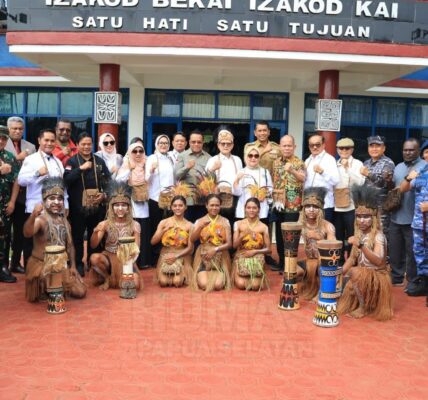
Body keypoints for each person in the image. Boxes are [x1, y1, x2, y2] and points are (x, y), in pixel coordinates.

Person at [22, 177, 86, 302]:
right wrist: (33, 215)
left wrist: (73, 266)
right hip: (41, 265)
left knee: (80, 292)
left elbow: (70, 246)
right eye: (52, 198)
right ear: (44, 200)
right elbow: (27, 233)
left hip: (60, 266)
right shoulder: (40, 220)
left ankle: (54, 287)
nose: (56, 202)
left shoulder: (65, 222)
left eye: (60, 199)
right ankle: (44, 287)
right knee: (54, 287)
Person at [338, 185, 393, 321]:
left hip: (377, 276)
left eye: (366, 216)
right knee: (341, 277)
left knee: (354, 272)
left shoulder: (378, 236)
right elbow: (351, 259)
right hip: (363, 275)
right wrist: (338, 273)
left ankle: (364, 307)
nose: (362, 220)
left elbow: (378, 261)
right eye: (359, 216)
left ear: (373, 218)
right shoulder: (360, 235)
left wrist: (361, 245)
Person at [18, 129, 67, 266]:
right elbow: (21, 180)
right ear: (39, 141)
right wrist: (37, 173)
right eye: (46, 140)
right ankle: (31, 272)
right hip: (36, 208)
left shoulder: (58, 161)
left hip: (55, 208)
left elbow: (62, 186)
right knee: (32, 243)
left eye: (52, 140)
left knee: (52, 241)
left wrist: (66, 204)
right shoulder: (31, 159)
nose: (49, 143)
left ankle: (51, 271)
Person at [64, 132, 110, 276]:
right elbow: (66, 180)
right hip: (77, 207)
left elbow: (109, 182)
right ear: (77, 145)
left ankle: (92, 262)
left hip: (97, 207)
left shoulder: (99, 161)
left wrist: (104, 195)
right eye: (83, 144)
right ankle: (78, 263)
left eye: (89, 144)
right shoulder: (72, 162)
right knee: (77, 236)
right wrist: (81, 169)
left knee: (94, 235)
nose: (86, 147)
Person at [89, 181, 142, 291]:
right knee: (94, 258)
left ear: (128, 208)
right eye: (117, 205)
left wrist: (128, 263)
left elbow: (136, 249)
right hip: (109, 258)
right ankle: (107, 278)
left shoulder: (135, 225)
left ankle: (122, 278)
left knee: (135, 284)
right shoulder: (105, 224)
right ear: (112, 208)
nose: (120, 208)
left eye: (123, 205)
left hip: (126, 260)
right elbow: (93, 245)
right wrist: (95, 232)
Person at [388, 139, 425, 288]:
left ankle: (412, 280)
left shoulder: (424, 167)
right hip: (396, 216)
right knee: (395, 250)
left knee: (412, 252)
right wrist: (388, 182)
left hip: (415, 219)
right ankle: (396, 277)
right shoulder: (398, 167)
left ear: (418, 151)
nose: (408, 152)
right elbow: (394, 190)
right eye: (405, 150)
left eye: (411, 150)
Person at [5, 116, 36, 275]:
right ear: (8, 129)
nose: (17, 131)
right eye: (14, 128)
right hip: (5, 194)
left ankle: (16, 263)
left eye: (20, 129)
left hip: (23, 196)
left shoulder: (30, 146)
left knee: (19, 232)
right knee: (4, 233)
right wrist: (18, 158)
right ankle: (3, 265)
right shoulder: (2, 143)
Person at [271, 135, 306, 272]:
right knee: (279, 235)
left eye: (289, 145)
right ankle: (281, 262)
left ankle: (289, 264)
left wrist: (292, 170)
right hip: (278, 203)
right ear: (280, 147)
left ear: (294, 147)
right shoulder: (276, 162)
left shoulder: (299, 163)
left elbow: (303, 178)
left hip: (293, 204)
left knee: (290, 235)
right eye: (284, 145)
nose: (286, 148)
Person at [116, 142, 151, 269]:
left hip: (144, 202)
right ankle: (130, 260)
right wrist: (129, 169)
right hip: (131, 202)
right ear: (130, 152)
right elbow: (118, 180)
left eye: (140, 151)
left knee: (144, 232)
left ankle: (143, 261)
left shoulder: (146, 163)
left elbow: (150, 179)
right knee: (132, 231)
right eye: (134, 151)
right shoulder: (126, 163)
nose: (138, 154)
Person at [298, 187, 336, 301]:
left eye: (315, 207)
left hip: (323, 263)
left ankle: (321, 291)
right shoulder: (300, 224)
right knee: (290, 270)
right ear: (304, 208)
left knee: (322, 268)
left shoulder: (328, 226)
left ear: (320, 209)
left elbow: (333, 249)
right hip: (309, 261)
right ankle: (302, 287)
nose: (311, 210)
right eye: (308, 206)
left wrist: (319, 238)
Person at [190, 194, 232, 292]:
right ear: (206, 205)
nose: (214, 208)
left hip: (220, 255)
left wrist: (215, 249)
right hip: (203, 255)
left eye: (217, 205)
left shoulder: (225, 221)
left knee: (218, 285)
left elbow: (229, 244)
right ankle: (205, 273)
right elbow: (192, 239)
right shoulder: (199, 221)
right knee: (204, 284)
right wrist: (200, 227)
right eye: (212, 205)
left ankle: (217, 274)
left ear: (220, 206)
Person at [333, 138, 365, 263]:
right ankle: (339, 261)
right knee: (338, 235)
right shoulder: (334, 164)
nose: (344, 150)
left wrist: (348, 169)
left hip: (352, 206)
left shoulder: (358, 164)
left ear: (352, 149)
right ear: (337, 150)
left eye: (347, 148)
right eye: (341, 148)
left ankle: (353, 261)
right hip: (337, 206)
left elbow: (361, 183)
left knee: (352, 235)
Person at [151, 195, 193, 287]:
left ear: (185, 207)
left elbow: (190, 248)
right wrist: (164, 230)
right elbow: (153, 242)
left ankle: (182, 273)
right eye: (175, 206)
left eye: (180, 205)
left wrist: (176, 256)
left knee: (177, 282)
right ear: (171, 207)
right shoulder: (164, 222)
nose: (177, 208)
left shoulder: (189, 225)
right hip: (166, 255)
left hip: (181, 255)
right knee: (163, 282)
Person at [145, 134, 175, 266]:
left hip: (169, 199)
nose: (163, 145)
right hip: (155, 199)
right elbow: (145, 178)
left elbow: (174, 178)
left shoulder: (171, 158)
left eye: (166, 143)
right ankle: (153, 257)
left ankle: (166, 256)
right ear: (156, 144)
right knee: (156, 228)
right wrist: (151, 170)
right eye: (161, 143)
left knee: (168, 228)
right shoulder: (152, 158)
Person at [399, 160, 428, 297]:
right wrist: (408, 178)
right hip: (419, 222)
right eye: (426, 152)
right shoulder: (421, 171)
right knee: (420, 253)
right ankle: (424, 282)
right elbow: (403, 189)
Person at [206, 126, 243, 227]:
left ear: (233, 145)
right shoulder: (212, 160)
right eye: (223, 143)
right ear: (218, 145)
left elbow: (240, 180)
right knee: (218, 226)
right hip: (217, 198)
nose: (226, 146)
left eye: (228, 143)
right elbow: (205, 181)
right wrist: (212, 169)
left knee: (232, 225)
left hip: (234, 199)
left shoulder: (237, 160)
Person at [232, 198, 271, 291]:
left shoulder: (263, 227)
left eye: (254, 208)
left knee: (255, 286)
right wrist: (242, 235)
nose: (251, 210)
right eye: (249, 207)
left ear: (259, 209)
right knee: (241, 284)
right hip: (242, 256)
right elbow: (234, 246)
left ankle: (255, 277)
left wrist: (255, 251)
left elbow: (269, 250)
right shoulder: (238, 224)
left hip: (257, 258)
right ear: (245, 209)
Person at [361, 135, 395, 238]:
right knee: (367, 234)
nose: (374, 149)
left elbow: (385, 184)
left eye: (377, 146)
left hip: (381, 209)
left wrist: (369, 174)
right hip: (368, 207)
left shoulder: (388, 163)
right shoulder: (366, 163)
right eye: (371, 146)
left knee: (381, 235)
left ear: (383, 148)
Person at [175, 130, 211, 222]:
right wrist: (187, 167)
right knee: (186, 228)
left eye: (199, 142)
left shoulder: (209, 158)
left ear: (203, 142)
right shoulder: (182, 156)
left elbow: (212, 179)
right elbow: (176, 176)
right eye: (193, 142)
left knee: (201, 227)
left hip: (202, 201)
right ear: (189, 142)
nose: (196, 144)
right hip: (186, 201)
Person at [304, 133, 339, 223]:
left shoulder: (329, 159)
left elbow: (336, 181)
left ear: (323, 145)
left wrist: (322, 172)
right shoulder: (308, 160)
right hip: (310, 204)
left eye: (317, 144)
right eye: (312, 145)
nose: (315, 147)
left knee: (324, 230)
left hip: (324, 204)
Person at [0, 125, 20, 283]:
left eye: (3, 138)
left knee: (4, 238)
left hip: (4, 207)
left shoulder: (10, 157)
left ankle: (3, 268)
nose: (1, 141)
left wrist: (13, 202)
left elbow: (16, 182)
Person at [234, 146, 272, 225]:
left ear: (259, 158)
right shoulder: (241, 172)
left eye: (256, 156)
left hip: (261, 211)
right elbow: (237, 193)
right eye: (250, 155)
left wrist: (265, 194)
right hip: (244, 212)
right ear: (246, 157)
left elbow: (270, 189)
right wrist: (237, 180)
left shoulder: (265, 172)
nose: (253, 158)